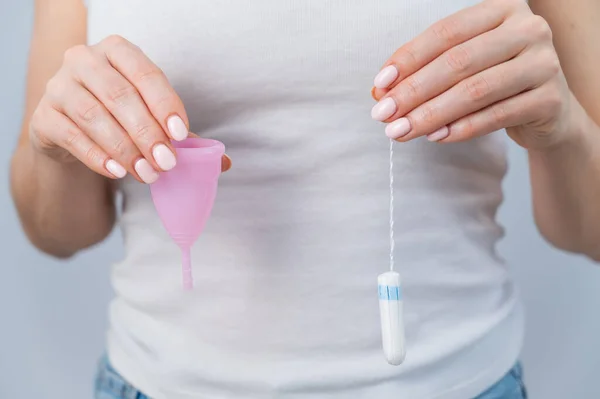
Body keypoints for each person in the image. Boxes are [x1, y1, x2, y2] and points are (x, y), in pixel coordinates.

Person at [9, 0, 600, 397]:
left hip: (460, 382)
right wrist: (54, 147)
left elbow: (589, 235)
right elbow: (58, 232)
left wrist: (564, 126)